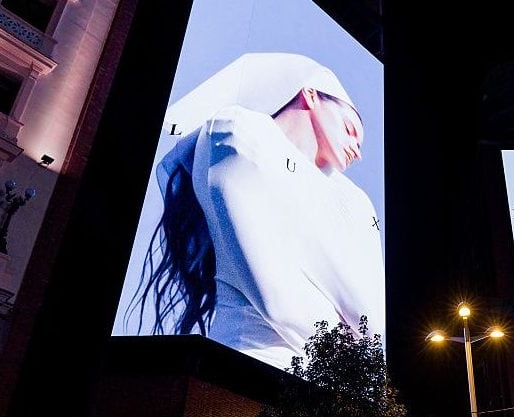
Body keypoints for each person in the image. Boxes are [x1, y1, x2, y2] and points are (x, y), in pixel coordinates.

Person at [126, 52, 385, 371]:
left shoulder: (352, 197)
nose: (357, 150)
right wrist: (350, 338)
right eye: (350, 128)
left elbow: (373, 322)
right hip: (250, 369)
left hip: (327, 388)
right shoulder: (238, 134)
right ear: (311, 95)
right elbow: (282, 304)